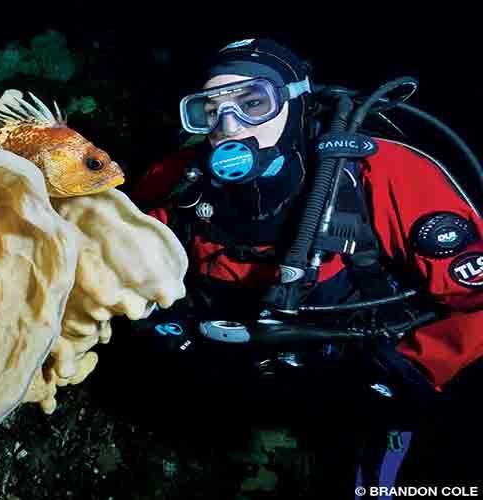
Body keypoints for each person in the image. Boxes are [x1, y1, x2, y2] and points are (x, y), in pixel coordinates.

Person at [126, 38, 483, 496]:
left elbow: (475, 296)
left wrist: (413, 371)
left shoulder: (384, 172)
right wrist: (153, 321)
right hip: (229, 364)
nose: (229, 126)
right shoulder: (175, 181)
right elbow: (114, 250)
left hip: (359, 366)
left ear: (297, 103)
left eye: (253, 102)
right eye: (210, 111)